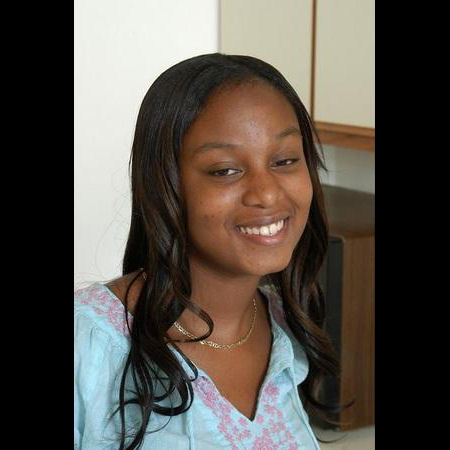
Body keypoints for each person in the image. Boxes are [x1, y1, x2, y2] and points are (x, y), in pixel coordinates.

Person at [74, 53, 349, 449]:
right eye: (225, 170)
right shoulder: (89, 342)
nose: (267, 193)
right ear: (165, 184)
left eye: (285, 160)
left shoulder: (284, 326)